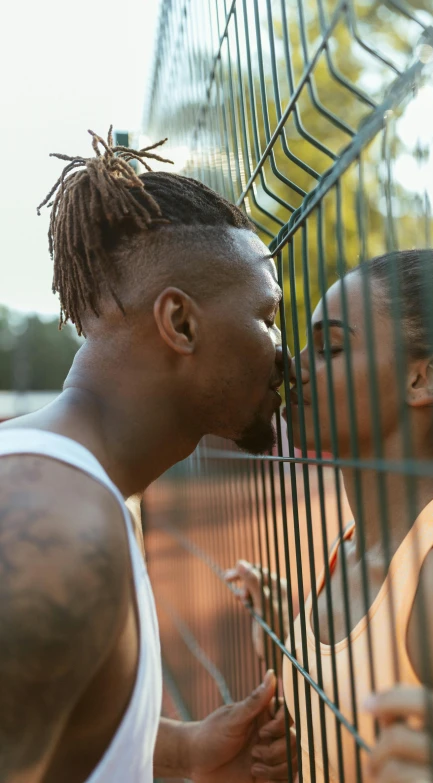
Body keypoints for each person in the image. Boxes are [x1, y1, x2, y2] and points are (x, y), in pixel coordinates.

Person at [0, 129, 296, 783]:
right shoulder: (52, 528)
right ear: (181, 323)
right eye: (267, 315)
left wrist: (181, 753)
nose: (283, 350)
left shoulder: (89, 497)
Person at [227, 244, 433, 782]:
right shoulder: (351, 546)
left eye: (331, 348)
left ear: (422, 379)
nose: (292, 367)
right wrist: (289, 644)